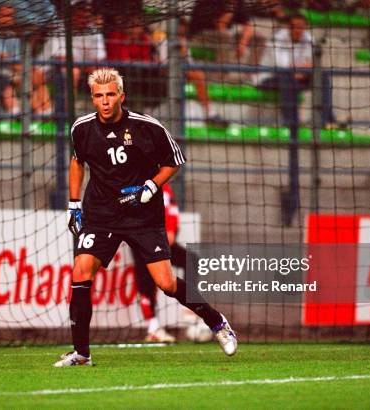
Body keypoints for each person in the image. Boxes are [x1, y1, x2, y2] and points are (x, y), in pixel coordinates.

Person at [55, 68, 237, 367]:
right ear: (92, 99)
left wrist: (150, 186)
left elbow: (174, 162)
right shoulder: (81, 128)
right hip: (102, 214)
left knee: (165, 283)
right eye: (99, 96)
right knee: (80, 273)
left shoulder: (147, 127)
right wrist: (74, 205)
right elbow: (77, 162)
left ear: (121, 96)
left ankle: (217, 322)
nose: (105, 101)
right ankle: (81, 354)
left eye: (110, 95)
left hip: (143, 216)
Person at [133, 183, 191, 343]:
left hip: (160, 240)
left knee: (191, 261)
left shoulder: (161, 183)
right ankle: (153, 327)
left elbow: (170, 208)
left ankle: (189, 309)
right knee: (146, 283)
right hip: (139, 238)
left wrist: (171, 230)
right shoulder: (133, 181)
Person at [257, 14, 338, 129]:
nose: (298, 30)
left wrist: (300, 69)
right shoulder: (277, 39)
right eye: (295, 26)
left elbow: (314, 64)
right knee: (288, 79)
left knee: (322, 76)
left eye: (301, 27)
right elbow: (282, 67)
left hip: (298, 77)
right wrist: (301, 69)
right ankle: (291, 124)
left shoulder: (309, 39)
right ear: (289, 27)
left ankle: (322, 120)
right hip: (269, 79)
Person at [0, 4, 52, 115]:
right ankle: (39, 113)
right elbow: (5, 59)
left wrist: (30, 70)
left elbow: (18, 60)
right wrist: (29, 70)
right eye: (3, 16)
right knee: (27, 80)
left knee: (40, 81)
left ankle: (47, 112)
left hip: (16, 71)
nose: (6, 19)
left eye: (9, 16)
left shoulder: (13, 36)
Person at [37, 0, 106, 91]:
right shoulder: (59, 28)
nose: (85, 13)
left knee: (104, 74)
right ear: (71, 11)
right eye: (80, 9)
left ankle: (107, 104)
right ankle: (67, 105)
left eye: (87, 9)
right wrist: (87, 66)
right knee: (73, 72)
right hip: (44, 71)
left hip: (76, 68)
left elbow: (99, 61)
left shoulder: (93, 31)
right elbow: (62, 59)